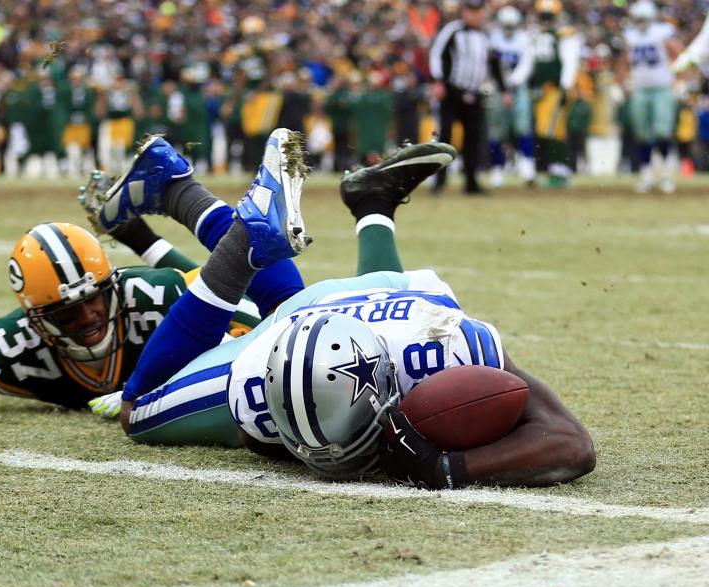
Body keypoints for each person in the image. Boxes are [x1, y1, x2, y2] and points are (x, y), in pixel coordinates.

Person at [85, 129, 595, 489]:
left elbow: (573, 446)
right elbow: (566, 444)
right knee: (140, 409)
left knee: (139, 409)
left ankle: (187, 195)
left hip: (405, 306)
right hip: (304, 319)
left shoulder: (447, 351)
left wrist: (446, 468)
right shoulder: (252, 389)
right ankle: (195, 197)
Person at [0, 142, 264, 424]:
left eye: (94, 299)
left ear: (113, 287)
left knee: (251, 282)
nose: (88, 315)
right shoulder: (16, 345)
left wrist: (155, 387)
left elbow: (250, 325)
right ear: (36, 321)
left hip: (266, 313)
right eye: (66, 311)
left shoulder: (150, 296)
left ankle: (182, 197)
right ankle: (160, 215)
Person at [429, 0, 505, 194]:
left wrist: (504, 89)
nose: (475, 16)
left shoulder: (486, 35)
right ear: (464, 12)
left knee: (474, 138)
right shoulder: (453, 31)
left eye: (478, 12)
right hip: (452, 91)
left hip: (476, 92)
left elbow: (494, 62)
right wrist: (437, 80)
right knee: (445, 136)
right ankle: (439, 180)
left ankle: (471, 181)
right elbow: (437, 54)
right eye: (472, 11)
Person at [618, 1, 683, 194]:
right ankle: (646, 175)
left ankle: (666, 175)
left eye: (643, 19)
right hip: (639, 88)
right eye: (637, 19)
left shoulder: (662, 32)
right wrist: (620, 83)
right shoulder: (630, 36)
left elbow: (678, 53)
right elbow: (623, 61)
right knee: (642, 133)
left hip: (662, 87)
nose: (640, 23)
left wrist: (680, 80)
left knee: (663, 131)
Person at [529, 0, 582, 188]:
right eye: (543, 15)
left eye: (548, 15)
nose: (545, 19)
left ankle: (561, 171)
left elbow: (570, 62)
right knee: (547, 130)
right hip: (542, 92)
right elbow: (530, 63)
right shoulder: (537, 34)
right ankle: (555, 169)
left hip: (557, 89)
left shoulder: (564, 34)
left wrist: (566, 86)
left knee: (554, 130)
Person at [488, 4, 537, 188]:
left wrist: (512, 84)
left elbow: (527, 64)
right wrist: (503, 89)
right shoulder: (493, 38)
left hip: (518, 89)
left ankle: (527, 167)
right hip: (497, 89)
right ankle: (497, 169)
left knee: (522, 128)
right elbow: (491, 64)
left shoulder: (524, 39)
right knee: (497, 130)